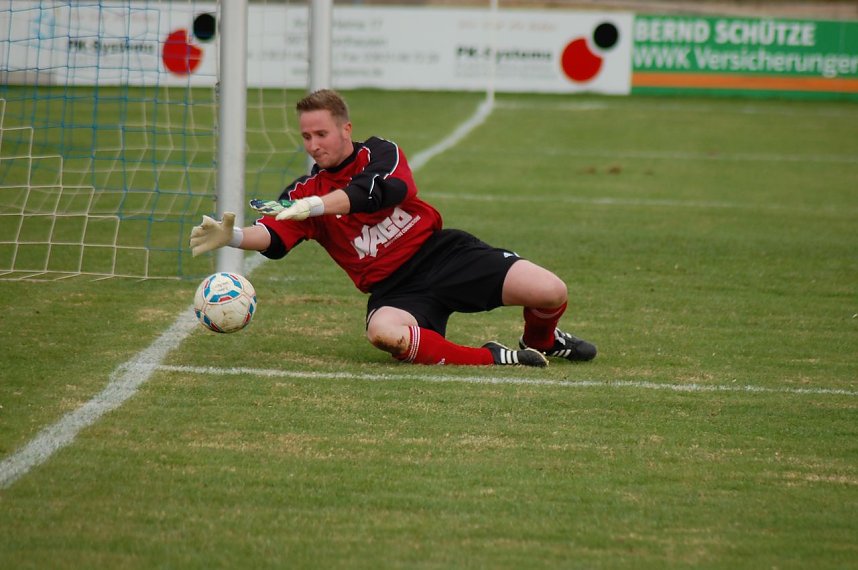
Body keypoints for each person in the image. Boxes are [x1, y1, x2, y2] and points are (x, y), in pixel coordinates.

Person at [190, 89, 596, 367]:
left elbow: (379, 192)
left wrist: (316, 206)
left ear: (345, 129)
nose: (313, 144)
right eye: (306, 136)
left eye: (321, 134)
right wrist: (236, 236)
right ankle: (495, 357)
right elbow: (275, 236)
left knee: (551, 291)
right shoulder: (303, 191)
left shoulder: (379, 152)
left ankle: (541, 340)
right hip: (395, 289)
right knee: (384, 333)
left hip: (444, 255)